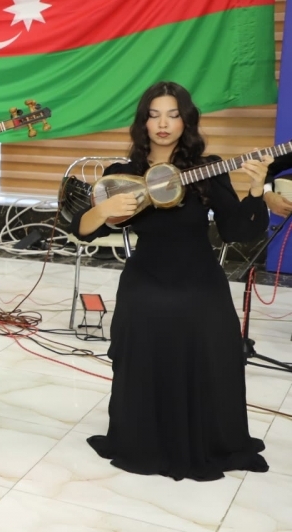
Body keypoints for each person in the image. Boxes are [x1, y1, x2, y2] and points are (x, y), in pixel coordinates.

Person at [71, 81, 270, 481]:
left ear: (186, 121)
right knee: (146, 320)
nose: (163, 124)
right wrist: (104, 209)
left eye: (173, 115)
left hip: (200, 278)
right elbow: (82, 229)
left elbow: (237, 231)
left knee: (211, 336)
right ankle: (145, 438)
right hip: (147, 277)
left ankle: (208, 438)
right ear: (143, 122)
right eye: (154, 115)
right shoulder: (122, 174)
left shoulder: (207, 169)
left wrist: (255, 188)